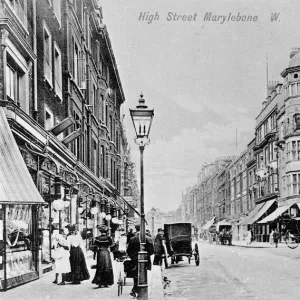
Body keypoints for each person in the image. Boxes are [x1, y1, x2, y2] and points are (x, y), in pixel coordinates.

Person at [127, 224, 154, 298]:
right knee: (144, 275)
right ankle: (139, 290)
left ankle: (135, 289)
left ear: (136, 229)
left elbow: (129, 251)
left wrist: (133, 257)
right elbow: (152, 251)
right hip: (145, 259)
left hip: (135, 259)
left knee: (136, 275)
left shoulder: (132, 239)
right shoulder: (148, 238)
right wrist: (146, 256)